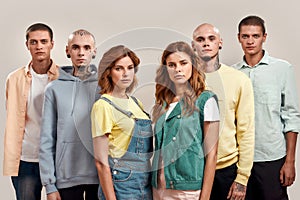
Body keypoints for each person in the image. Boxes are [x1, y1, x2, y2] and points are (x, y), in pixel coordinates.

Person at [233, 15, 300, 200]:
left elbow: (292, 116)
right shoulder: (233, 73)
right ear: (239, 37)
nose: (250, 41)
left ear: (264, 37)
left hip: (272, 157)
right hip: (239, 159)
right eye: (245, 36)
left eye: (255, 35)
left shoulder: (282, 69)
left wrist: (290, 161)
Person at [192, 23, 255, 200]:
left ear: (220, 43)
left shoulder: (239, 80)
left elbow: (246, 131)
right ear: (193, 46)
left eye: (211, 39)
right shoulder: (184, 80)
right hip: (193, 169)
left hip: (226, 169)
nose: (206, 43)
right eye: (200, 39)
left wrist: (242, 178)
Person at [151, 41, 219, 200]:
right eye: (171, 65)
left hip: (187, 191)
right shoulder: (162, 104)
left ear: (193, 65)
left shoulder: (206, 100)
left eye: (183, 63)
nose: (178, 69)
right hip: (158, 188)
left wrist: (205, 198)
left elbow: (212, 154)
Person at [39, 29, 99, 200]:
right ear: (67, 51)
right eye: (75, 47)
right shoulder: (54, 89)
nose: (81, 52)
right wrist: (49, 185)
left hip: (100, 175)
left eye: (87, 47)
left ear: (94, 51)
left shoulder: (105, 87)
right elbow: (46, 139)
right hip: (67, 176)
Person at [3, 23, 59, 200]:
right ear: (27, 45)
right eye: (34, 42)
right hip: (25, 159)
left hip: (57, 159)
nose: (39, 46)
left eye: (44, 41)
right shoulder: (14, 79)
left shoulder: (63, 78)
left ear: (52, 44)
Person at [91, 45, 153, 200]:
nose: (126, 73)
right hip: (122, 184)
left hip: (145, 181)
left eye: (130, 67)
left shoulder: (136, 102)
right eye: (119, 68)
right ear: (108, 72)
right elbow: (100, 162)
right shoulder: (103, 106)